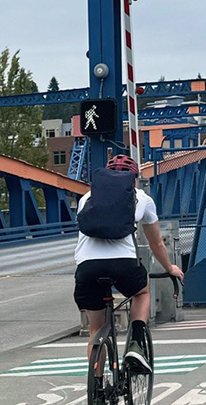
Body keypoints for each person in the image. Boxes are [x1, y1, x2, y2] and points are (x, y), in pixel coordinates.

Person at [73, 153, 186, 377]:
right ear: (133, 180)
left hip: (87, 268)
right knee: (142, 291)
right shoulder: (141, 197)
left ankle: (97, 392)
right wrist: (169, 267)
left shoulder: (87, 198)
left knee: (96, 330)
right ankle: (135, 342)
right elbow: (156, 244)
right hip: (123, 266)